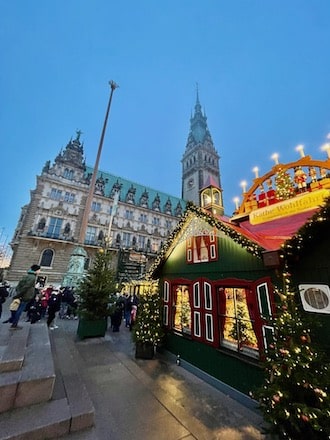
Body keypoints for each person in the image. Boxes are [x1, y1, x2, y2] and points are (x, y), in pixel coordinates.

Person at [10, 264, 41, 329]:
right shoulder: (32, 277)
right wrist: (19, 295)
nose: (40, 271)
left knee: (18, 309)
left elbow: (19, 285)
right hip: (25, 296)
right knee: (19, 310)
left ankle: (13, 323)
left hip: (23, 295)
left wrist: (18, 293)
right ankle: (14, 324)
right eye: (39, 270)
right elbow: (26, 287)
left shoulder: (27, 275)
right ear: (36, 270)